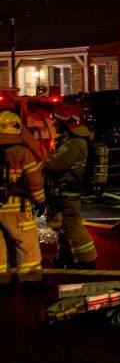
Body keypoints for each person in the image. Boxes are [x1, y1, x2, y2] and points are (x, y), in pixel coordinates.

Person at [44, 104, 97, 269]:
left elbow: (54, 164)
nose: (54, 125)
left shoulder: (74, 143)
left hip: (68, 190)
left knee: (71, 224)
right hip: (65, 189)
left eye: (57, 122)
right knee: (63, 225)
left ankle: (86, 260)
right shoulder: (73, 140)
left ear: (67, 123)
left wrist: (42, 162)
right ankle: (64, 256)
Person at [0, 111, 47, 289]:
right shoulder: (22, 152)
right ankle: (30, 280)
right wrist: (41, 202)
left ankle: (2, 280)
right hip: (16, 208)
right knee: (26, 242)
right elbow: (35, 181)